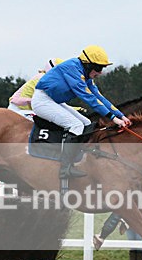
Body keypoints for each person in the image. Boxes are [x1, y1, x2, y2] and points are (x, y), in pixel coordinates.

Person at [32, 45, 131, 178]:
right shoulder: (72, 69)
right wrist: (112, 118)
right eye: (99, 68)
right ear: (88, 65)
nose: (100, 72)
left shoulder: (86, 75)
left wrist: (121, 115)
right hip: (42, 101)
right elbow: (89, 98)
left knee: (86, 123)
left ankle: (79, 159)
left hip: (54, 101)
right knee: (76, 125)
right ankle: (65, 168)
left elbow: (99, 97)